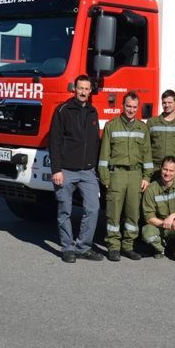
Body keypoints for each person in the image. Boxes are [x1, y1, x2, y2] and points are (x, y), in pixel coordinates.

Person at [48, 74, 104, 263]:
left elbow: (95, 142)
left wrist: (96, 167)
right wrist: (56, 170)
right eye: (80, 88)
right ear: (75, 89)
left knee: (93, 209)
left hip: (88, 171)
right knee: (65, 210)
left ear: (90, 91)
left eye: (87, 89)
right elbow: (54, 142)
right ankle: (68, 248)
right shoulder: (62, 110)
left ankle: (83, 247)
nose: (83, 92)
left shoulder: (93, 112)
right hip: (65, 170)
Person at [98, 92, 154, 262]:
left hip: (136, 175)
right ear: (122, 106)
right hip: (117, 174)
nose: (131, 110)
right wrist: (105, 178)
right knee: (113, 213)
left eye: (134, 107)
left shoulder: (142, 128)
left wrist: (147, 177)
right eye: (128, 106)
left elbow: (147, 155)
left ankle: (128, 246)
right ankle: (114, 246)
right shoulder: (111, 126)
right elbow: (104, 155)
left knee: (133, 213)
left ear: (138, 108)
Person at [141, 156, 175, 265]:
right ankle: (160, 248)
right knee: (146, 232)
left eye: (171, 170)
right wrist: (165, 223)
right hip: (161, 226)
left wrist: (172, 217)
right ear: (161, 169)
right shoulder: (151, 189)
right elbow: (148, 217)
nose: (167, 173)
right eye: (165, 169)